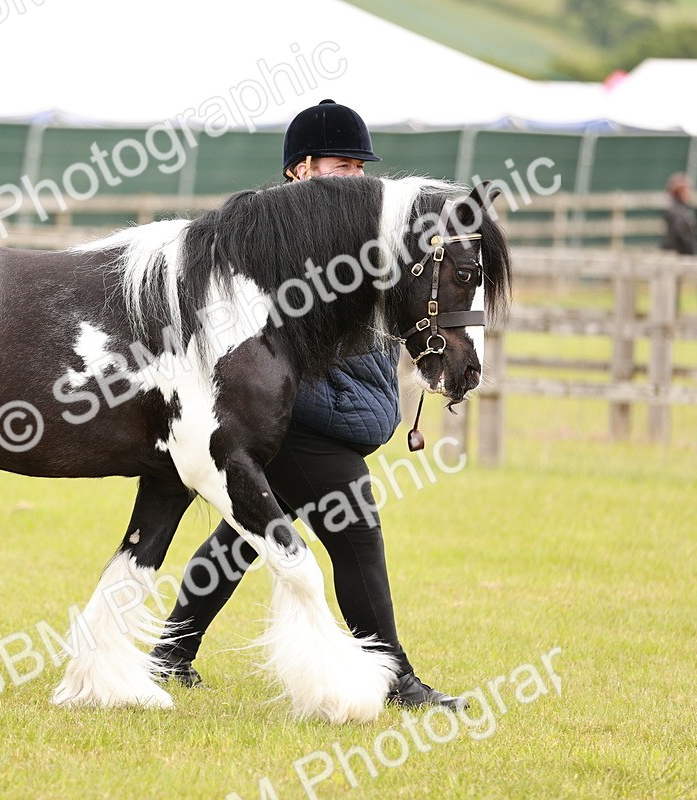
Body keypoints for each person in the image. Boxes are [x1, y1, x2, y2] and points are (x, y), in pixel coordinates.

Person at [151, 99, 465, 709]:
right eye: (338, 165)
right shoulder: (275, 239)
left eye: (358, 166)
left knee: (243, 537)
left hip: (323, 413)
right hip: (294, 415)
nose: (353, 176)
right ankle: (394, 676)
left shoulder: (364, 236)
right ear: (300, 168)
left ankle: (172, 651)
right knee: (355, 533)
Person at [660, 172, 697, 256]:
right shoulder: (678, 211)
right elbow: (679, 233)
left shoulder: (677, 208)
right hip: (678, 253)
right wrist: (689, 250)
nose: (690, 193)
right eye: (688, 190)